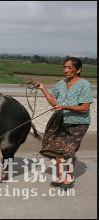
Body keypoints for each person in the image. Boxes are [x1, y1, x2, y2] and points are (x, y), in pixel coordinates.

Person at [33, 57, 94, 191]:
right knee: (58, 149)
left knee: (68, 149)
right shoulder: (60, 84)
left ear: (78, 70)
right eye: (64, 67)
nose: (66, 70)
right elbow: (54, 103)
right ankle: (61, 175)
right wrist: (43, 88)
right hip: (60, 120)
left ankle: (69, 176)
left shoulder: (84, 85)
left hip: (78, 122)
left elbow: (85, 108)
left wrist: (66, 107)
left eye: (70, 67)